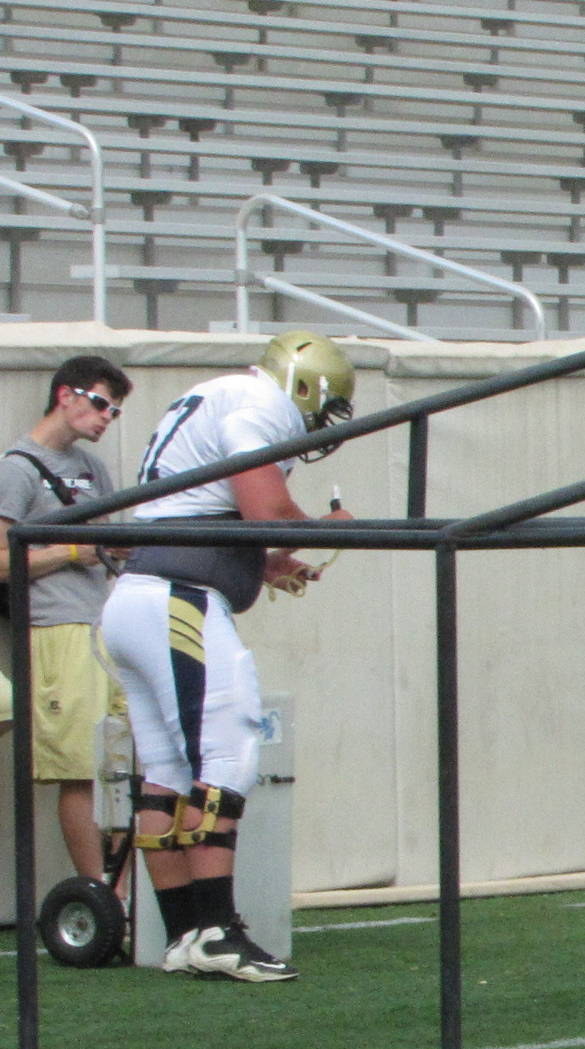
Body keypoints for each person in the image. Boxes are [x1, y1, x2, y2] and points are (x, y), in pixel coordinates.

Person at [99, 329, 356, 982]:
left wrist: (264, 563)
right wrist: (324, 529)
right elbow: (264, 506)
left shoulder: (215, 396)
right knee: (229, 747)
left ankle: (185, 933)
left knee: (165, 766)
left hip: (138, 597)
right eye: (322, 408)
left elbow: (194, 513)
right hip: (177, 599)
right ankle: (216, 930)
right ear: (303, 385)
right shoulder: (257, 402)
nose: (319, 425)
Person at [0, 355, 133, 886]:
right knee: (80, 769)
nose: (106, 418)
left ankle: (123, 892)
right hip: (55, 625)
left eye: (114, 412)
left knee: (124, 766)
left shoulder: (92, 468)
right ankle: (101, 897)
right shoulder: (16, 467)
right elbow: (2, 560)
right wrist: (72, 550)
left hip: (106, 621)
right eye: (101, 404)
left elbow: (110, 542)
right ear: (65, 395)